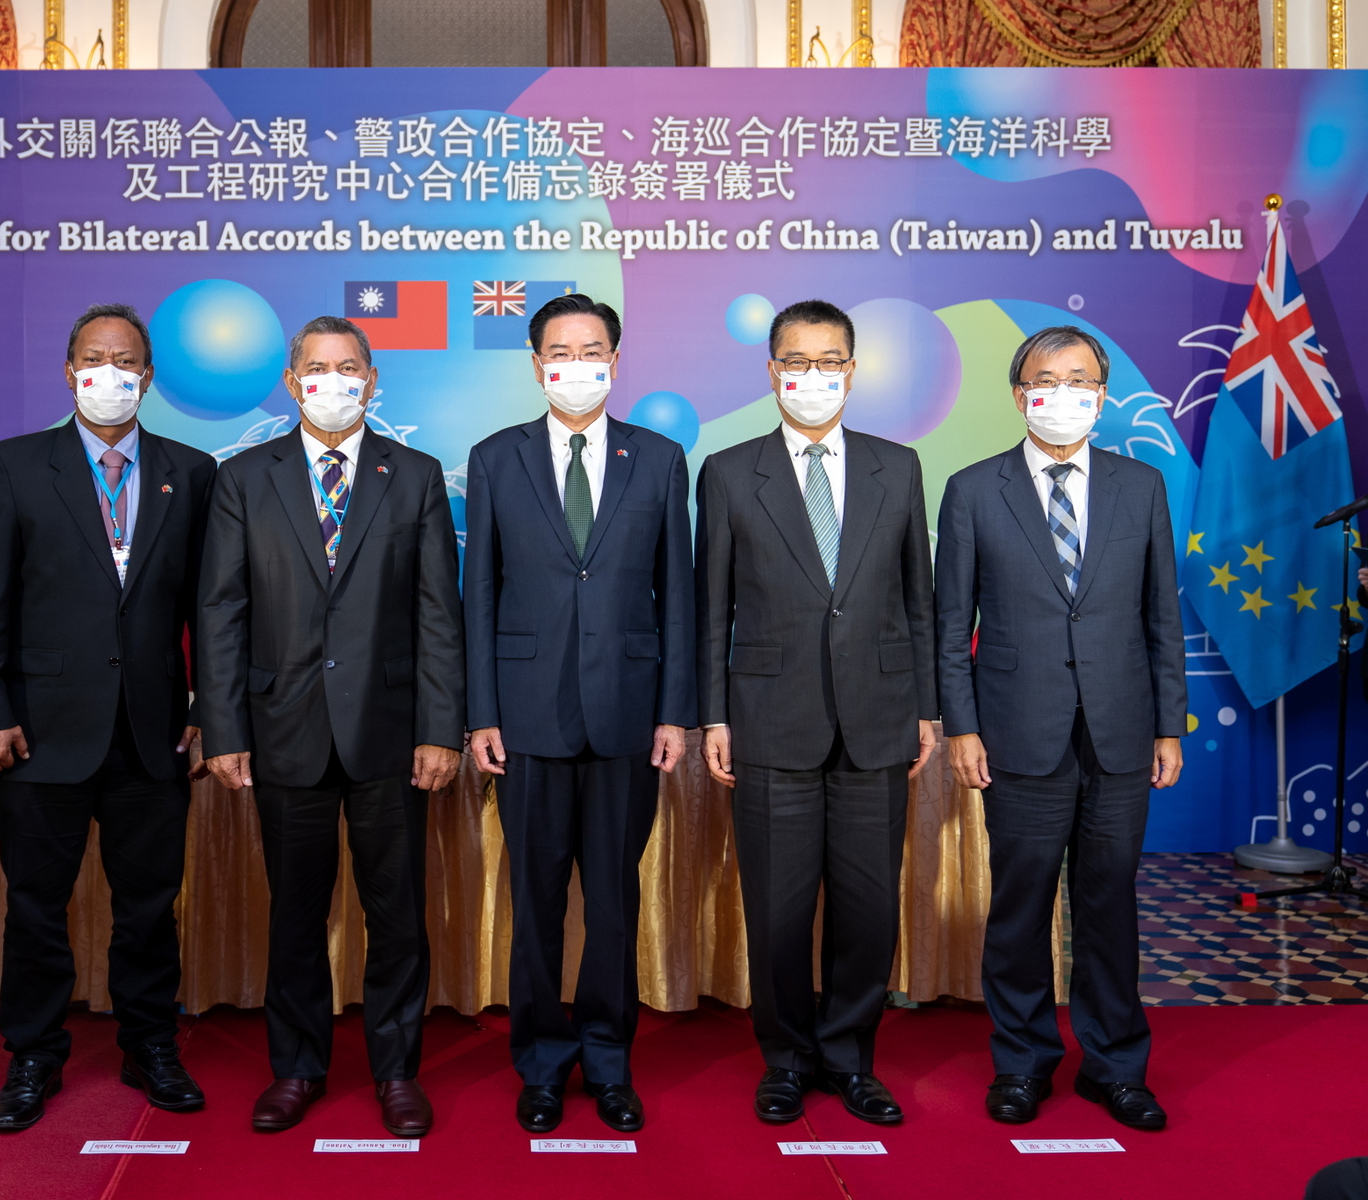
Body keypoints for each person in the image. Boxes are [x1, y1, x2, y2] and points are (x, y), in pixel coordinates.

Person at [199, 316, 464, 1138]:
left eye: (349, 367)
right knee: (294, 915)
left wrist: (440, 729)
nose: (334, 380)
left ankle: (394, 1071)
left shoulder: (413, 475)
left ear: (373, 380)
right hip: (282, 732)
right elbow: (221, 612)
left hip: (391, 734)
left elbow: (436, 614)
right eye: (317, 368)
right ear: (290, 381)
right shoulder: (243, 478)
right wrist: (223, 729)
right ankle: (298, 1068)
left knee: (396, 918)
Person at [0, 303, 216, 1132]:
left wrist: (209, 707)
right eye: (95, 358)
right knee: (37, 904)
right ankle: (33, 1054)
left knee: (149, 903)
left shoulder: (191, 470)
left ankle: (151, 1044)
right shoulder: (15, 466)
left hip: (152, 731)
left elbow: (212, 608)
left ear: (148, 376)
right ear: (69, 372)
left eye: (127, 360)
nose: (111, 373)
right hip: (39, 731)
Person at [935, 325, 1186, 1131]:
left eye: (1082, 379)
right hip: (1014, 734)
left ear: (1101, 394)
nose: (1064, 392)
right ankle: (1022, 1062)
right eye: (1047, 378)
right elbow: (949, 628)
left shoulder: (1139, 485)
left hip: (1120, 732)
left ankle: (1115, 1067)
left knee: (1110, 905)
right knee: (1019, 908)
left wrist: (1167, 724)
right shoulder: (973, 489)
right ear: (1019, 394)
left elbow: (1161, 616)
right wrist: (961, 729)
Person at [695, 299, 936, 1127]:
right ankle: (787, 1058)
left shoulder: (896, 468)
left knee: (869, 912)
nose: (812, 377)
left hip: (879, 723)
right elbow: (708, 610)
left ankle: (849, 1057)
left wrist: (928, 709)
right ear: (770, 372)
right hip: (768, 722)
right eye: (795, 362)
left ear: (853, 369)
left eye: (829, 361)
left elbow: (920, 601)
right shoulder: (729, 473)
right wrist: (712, 716)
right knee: (779, 911)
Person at [464, 292, 695, 1134]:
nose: (574, 364)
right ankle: (539, 1062)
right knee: (536, 904)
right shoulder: (495, 458)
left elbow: (680, 596)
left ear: (614, 358)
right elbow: (476, 596)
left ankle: (606, 1059)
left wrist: (676, 711)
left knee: (612, 902)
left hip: (629, 717)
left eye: (590, 348)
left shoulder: (659, 459)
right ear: (535, 365)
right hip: (523, 718)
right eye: (557, 351)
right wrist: (479, 711)